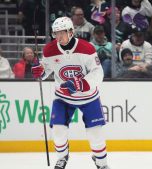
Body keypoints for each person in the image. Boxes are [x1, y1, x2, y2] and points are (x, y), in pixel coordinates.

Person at [31, 17, 110, 169]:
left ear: (71, 32)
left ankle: (102, 163)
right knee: (58, 130)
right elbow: (46, 70)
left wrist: (81, 84)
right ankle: (62, 157)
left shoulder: (87, 48)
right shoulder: (49, 49)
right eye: (56, 33)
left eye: (62, 33)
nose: (58, 37)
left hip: (89, 97)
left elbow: (97, 73)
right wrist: (40, 73)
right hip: (63, 97)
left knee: (95, 133)